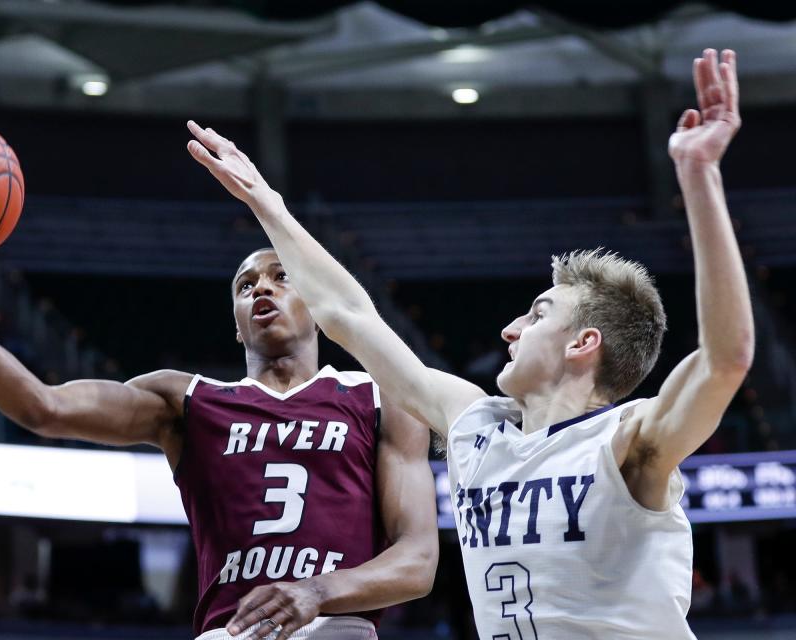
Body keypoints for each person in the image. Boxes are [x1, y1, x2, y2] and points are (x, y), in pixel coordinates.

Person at [187, 48, 752, 639]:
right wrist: (265, 203)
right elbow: (348, 315)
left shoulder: (629, 440)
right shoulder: (473, 423)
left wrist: (699, 175)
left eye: (536, 315)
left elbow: (726, 358)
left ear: (584, 343)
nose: (509, 330)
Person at [0, 182, 438, 637]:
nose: (261, 289)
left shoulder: (380, 397)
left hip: (338, 626)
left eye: (280, 276)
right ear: (235, 322)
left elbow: (417, 562)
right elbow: (40, 407)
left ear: (318, 304)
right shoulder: (186, 401)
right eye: (245, 286)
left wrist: (316, 590)